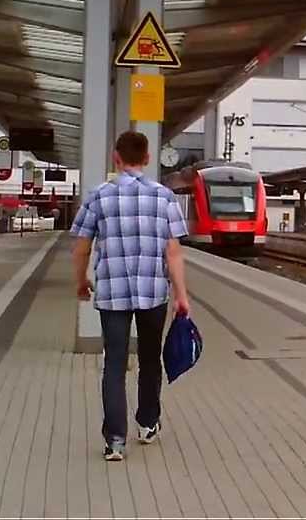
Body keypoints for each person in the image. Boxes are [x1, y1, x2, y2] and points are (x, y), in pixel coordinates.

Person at [71, 131, 190, 463]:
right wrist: (182, 295)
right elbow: (173, 252)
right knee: (151, 360)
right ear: (148, 159)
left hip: (112, 293)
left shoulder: (98, 196)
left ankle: (115, 441)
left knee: (114, 363)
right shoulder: (164, 197)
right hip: (154, 293)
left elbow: (80, 248)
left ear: (116, 158)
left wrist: (81, 281)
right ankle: (148, 423)